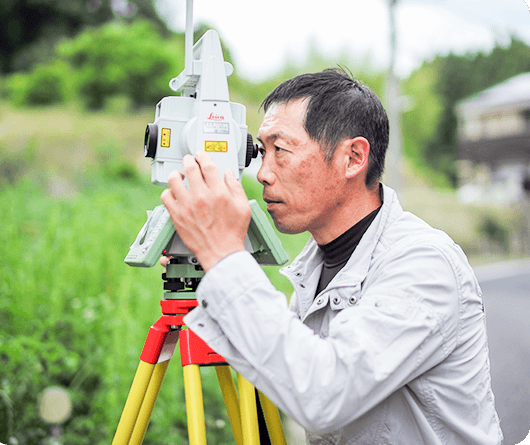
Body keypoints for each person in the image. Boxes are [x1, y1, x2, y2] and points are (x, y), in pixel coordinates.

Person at [160, 68, 503, 444]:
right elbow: (284, 371)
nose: (262, 173)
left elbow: (323, 393)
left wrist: (225, 258)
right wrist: (212, 266)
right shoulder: (315, 266)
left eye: (281, 150)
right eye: (261, 151)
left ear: (353, 157)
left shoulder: (423, 263)